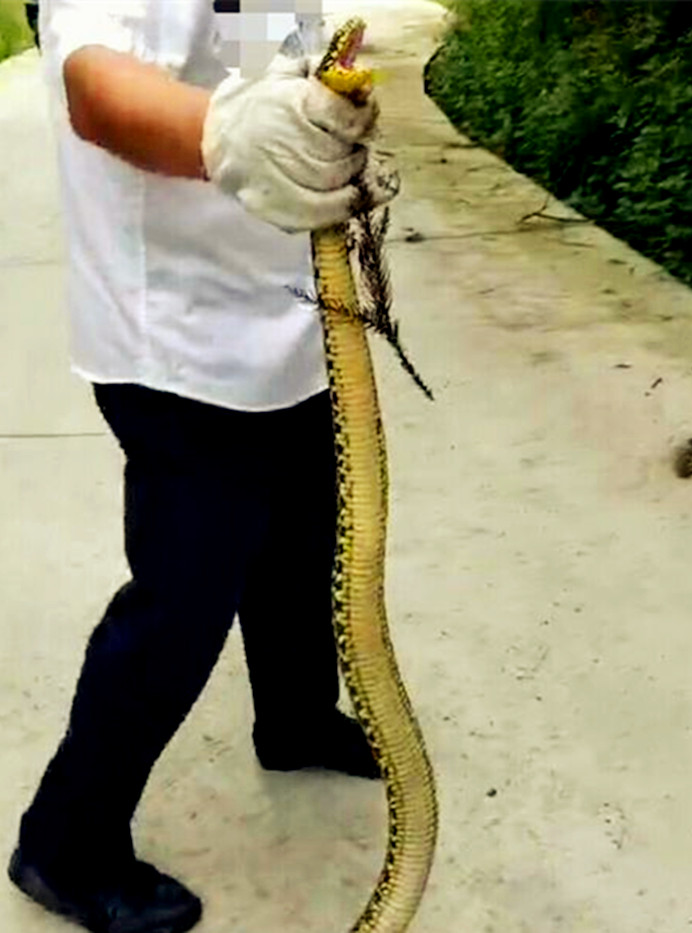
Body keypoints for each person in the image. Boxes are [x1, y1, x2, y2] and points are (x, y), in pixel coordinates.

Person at [7, 3, 397, 932]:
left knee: (301, 540)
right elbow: (98, 87)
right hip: (178, 340)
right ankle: (65, 842)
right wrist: (227, 135)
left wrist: (322, 110)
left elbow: (255, 51)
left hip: (285, 310)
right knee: (182, 603)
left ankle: (294, 718)